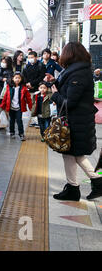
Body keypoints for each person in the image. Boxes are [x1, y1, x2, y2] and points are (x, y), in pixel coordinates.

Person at [47, 42, 102, 201]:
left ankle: (92, 183)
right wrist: (53, 82)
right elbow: (66, 89)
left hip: (77, 121)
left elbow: (70, 101)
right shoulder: (75, 70)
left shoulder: (78, 73)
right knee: (71, 154)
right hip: (75, 120)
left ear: (69, 54)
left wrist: (55, 95)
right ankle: (74, 188)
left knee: (74, 154)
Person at [0, 72, 32, 141]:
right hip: (11, 107)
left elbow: (28, 98)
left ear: (21, 79)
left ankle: (21, 134)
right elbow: (5, 97)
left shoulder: (24, 88)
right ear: (12, 79)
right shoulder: (9, 87)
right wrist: (2, 105)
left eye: (19, 78)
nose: (17, 79)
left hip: (19, 108)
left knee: (19, 120)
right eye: (16, 78)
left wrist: (30, 106)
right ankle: (12, 132)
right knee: (12, 120)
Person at [22, 51, 46, 126]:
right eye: (29, 58)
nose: (30, 59)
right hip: (29, 89)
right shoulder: (26, 66)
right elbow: (24, 76)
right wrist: (27, 84)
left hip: (38, 89)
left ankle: (37, 120)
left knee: (38, 104)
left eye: (32, 57)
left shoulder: (41, 65)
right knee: (31, 104)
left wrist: (32, 84)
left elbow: (41, 77)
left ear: (36, 57)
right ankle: (33, 119)